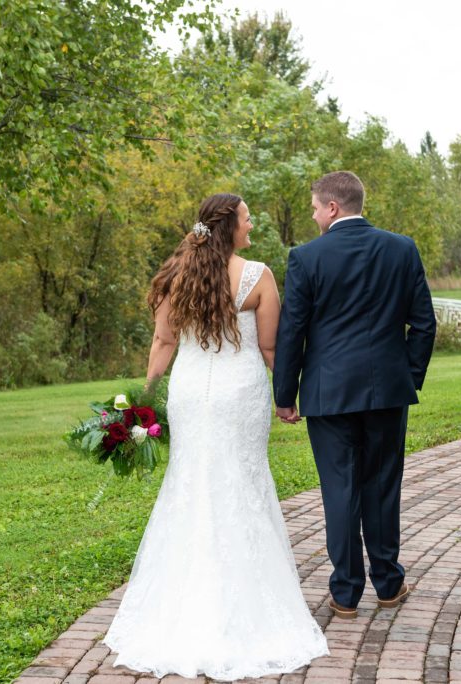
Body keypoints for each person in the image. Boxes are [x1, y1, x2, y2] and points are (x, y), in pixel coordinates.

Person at [103, 193, 328, 680]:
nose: (252, 226)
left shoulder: (175, 276)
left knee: (191, 482)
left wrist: (144, 398)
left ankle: (182, 601)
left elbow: (163, 342)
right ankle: (244, 605)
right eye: (247, 219)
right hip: (238, 394)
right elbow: (270, 347)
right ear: (230, 227)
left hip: (189, 394)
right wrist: (288, 395)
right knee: (241, 485)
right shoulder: (257, 276)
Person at [272, 171, 436, 619]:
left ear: (332, 208)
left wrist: (285, 395)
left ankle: (345, 593)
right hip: (388, 390)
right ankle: (388, 582)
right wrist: (408, 376)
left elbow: (293, 333)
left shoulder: (306, 258)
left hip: (328, 394)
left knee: (340, 488)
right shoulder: (402, 249)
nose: (311, 214)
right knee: (382, 485)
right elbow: (424, 324)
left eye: (313, 206)